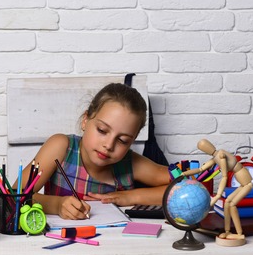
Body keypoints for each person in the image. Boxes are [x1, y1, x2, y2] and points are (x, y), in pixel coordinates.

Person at [15, 83, 171, 220]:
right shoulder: (62, 147)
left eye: (123, 140)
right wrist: (56, 205)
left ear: (132, 140)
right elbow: (14, 194)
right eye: (102, 130)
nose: (109, 145)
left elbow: (188, 183)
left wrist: (132, 196)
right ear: (85, 120)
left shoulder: (131, 164)